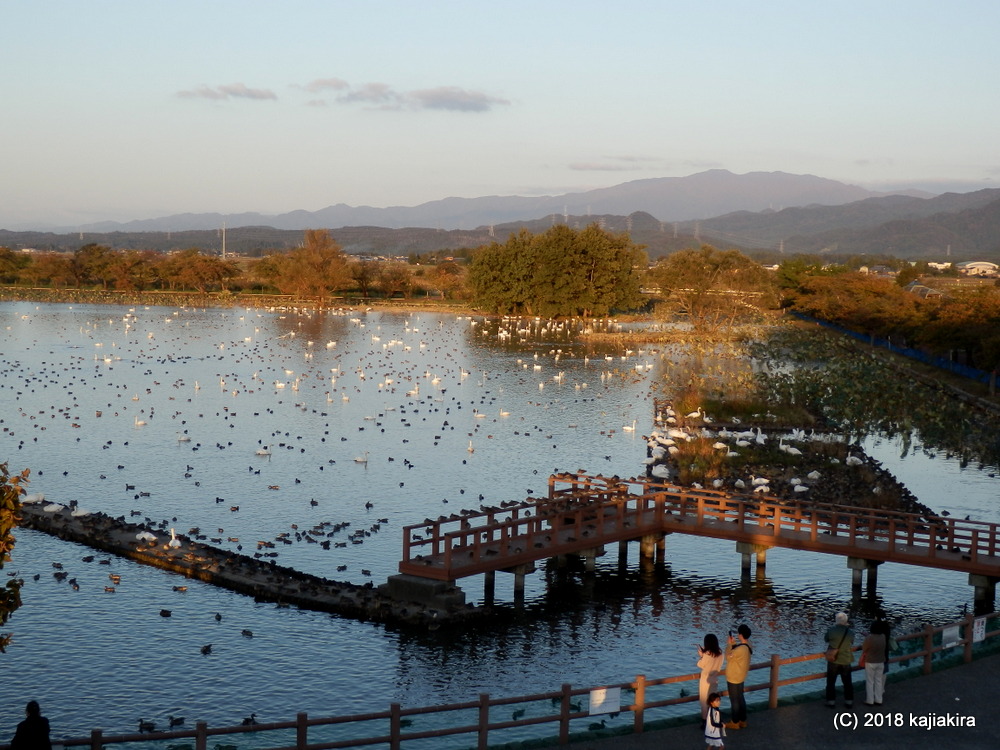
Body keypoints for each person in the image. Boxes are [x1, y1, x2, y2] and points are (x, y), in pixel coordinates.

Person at [723, 624, 752, 730]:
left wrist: (729, 644)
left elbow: (728, 656)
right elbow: (737, 652)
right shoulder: (748, 646)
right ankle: (742, 720)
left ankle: (734, 722)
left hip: (733, 677)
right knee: (741, 698)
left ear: (740, 634)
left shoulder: (740, 650)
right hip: (741, 676)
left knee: (734, 700)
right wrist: (733, 643)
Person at [824, 612, 855, 707]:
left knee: (831, 682)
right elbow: (852, 642)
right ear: (846, 621)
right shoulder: (850, 632)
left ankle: (831, 701)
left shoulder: (831, 630)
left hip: (833, 659)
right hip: (846, 659)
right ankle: (849, 701)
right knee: (847, 682)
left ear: (836, 620)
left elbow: (826, 639)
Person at [697, 634, 725, 721]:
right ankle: (714, 718)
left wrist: (702, 656)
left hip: (706, 680)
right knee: (713, 700)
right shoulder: (721, 654)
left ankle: (705, 721)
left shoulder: (707, 654)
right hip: (715, 679)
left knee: (704, 701)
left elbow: (700, 664)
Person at [862, 620, 888, 706]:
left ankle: (870, 700)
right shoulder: (883, 636)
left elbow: (864, 648)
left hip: (870, 661)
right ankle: (879, 699)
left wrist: (866, 637)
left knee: (870, 681)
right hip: (881, 661)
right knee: (878, 680)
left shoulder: (869, 638)